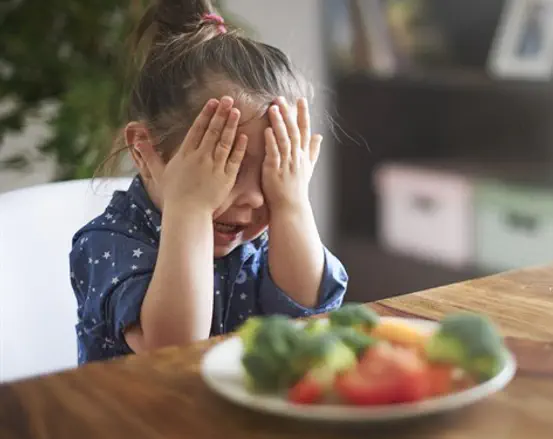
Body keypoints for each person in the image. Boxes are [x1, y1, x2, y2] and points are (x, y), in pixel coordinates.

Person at [69, 0, 348, 364]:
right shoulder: (109, 242)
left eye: (272, 171)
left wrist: (291, 203)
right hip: (135, 417)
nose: (252, 198)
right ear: (144, 151)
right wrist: (191, 208)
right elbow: (172, 349)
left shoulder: (263, 232)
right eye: (226, 168)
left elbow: (308, 314)